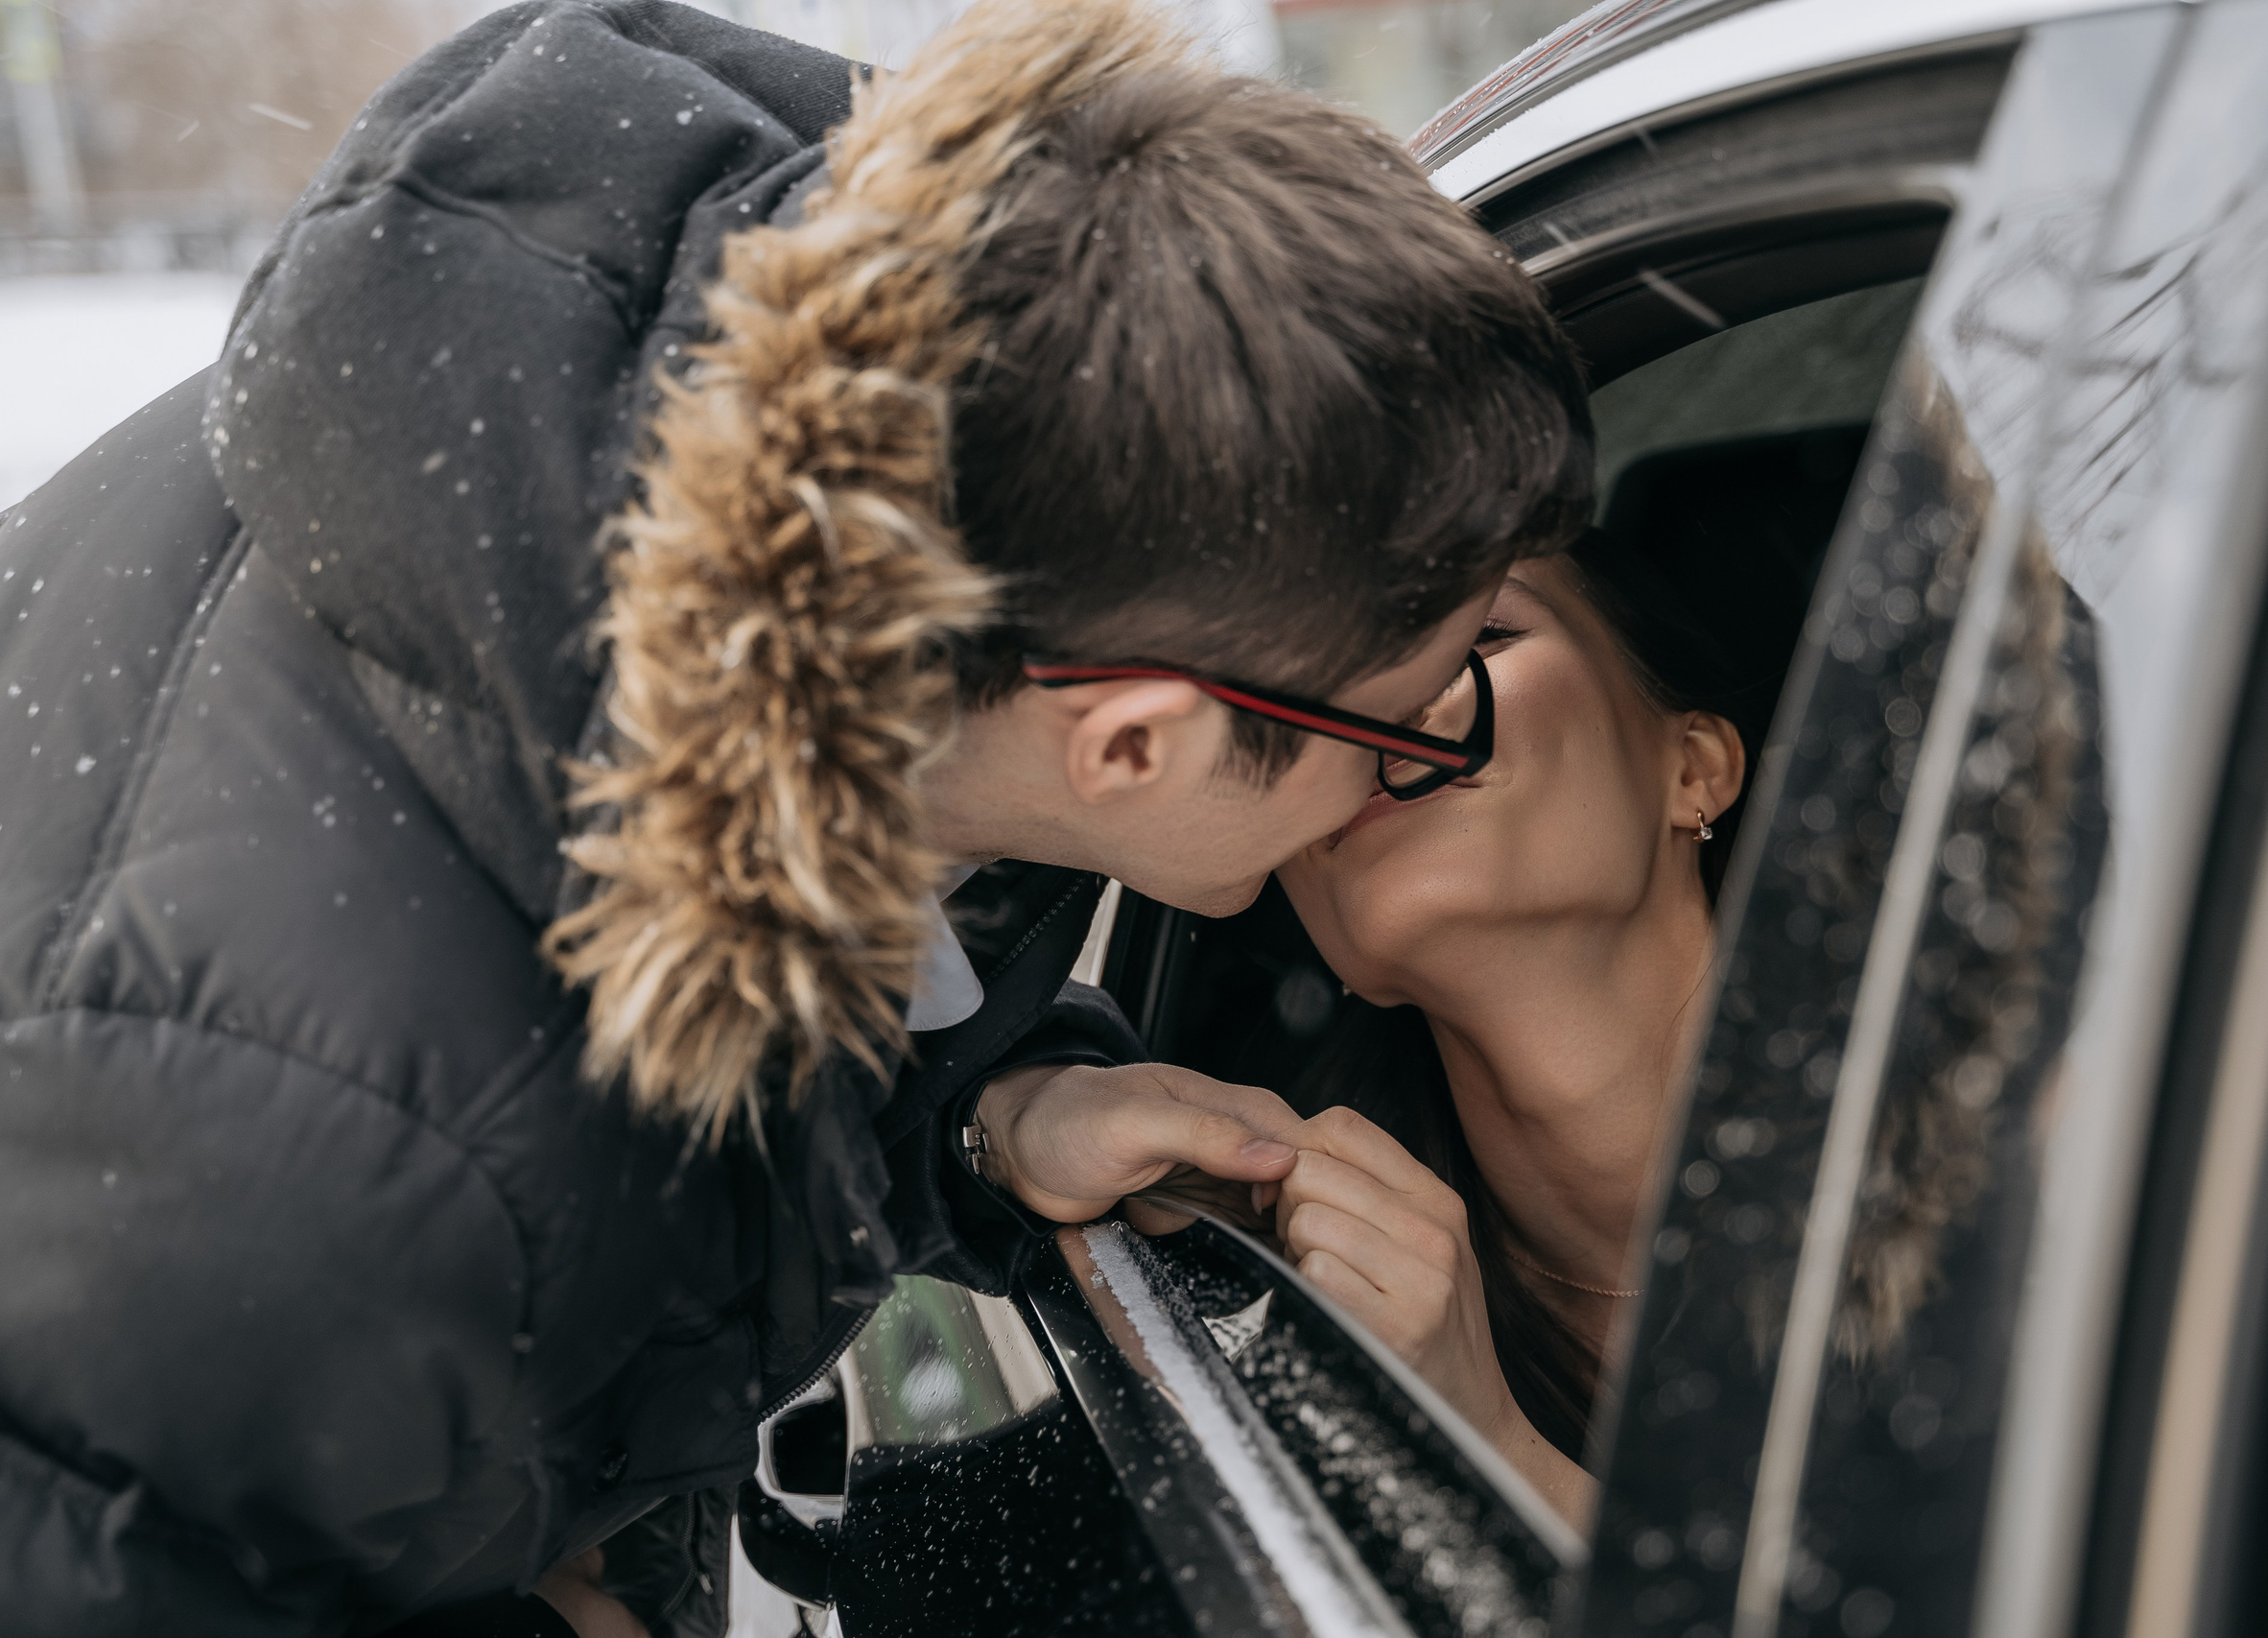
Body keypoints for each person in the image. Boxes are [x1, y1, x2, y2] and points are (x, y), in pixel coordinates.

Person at [0, 1, 1590, 1632]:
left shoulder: (682, 443)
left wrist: (979, 1117)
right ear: (1129, 743)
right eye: (1405, 719)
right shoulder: (339, 1152)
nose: (1431, 755)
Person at [1257, 493, 1830, 1520]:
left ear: (1692, 771)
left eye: (1477, 635)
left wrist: (1484, 1444)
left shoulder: (2019, 1140)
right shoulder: (1296, 1281)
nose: (1364, 717)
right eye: (1308, 707)